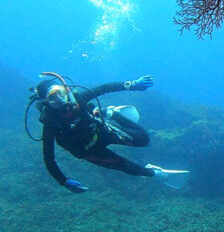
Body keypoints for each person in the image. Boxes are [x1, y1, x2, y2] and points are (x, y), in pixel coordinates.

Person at [29, 72, 188, 193]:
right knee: (125, 167)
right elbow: (49, 159)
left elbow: (105, 88)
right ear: (46, 103)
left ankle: (112, 113)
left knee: (144, 140)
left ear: (66, 90)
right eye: (53, 99)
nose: (61, 101)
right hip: (89, 151)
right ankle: (157, 174)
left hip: (102, 131)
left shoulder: (78, 99)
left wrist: (131, 84)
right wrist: (63, 181)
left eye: (61, 94)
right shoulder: (51, 124)